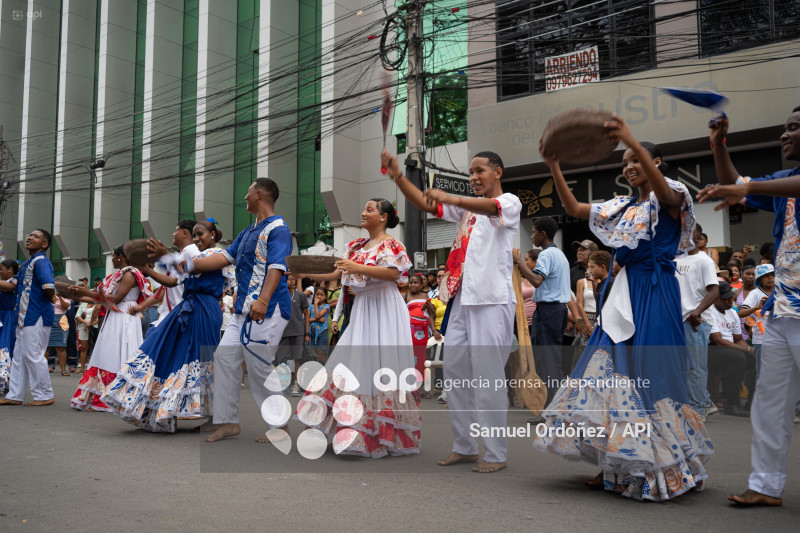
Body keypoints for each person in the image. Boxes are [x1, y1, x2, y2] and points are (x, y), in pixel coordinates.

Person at [533, 115, 712, 500]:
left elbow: (663, 196)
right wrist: (553, 165)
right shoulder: (621, 205)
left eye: (636, 159)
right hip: (622, 291)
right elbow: (575, 208)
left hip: (656, 291)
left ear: (656, 163)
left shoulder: (671, 194)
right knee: (608, 373)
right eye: (625, 162)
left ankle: (658, 468)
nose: (629, 166)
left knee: (650, 376)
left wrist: (628, 137)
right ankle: (614, 462)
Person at [382, 148, 521, 473]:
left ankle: (496, 453)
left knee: (488, 377)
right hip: (459, 299)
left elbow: (490, 207)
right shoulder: (466, 213)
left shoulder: (509, 203)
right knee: (455, 373)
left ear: (497, 172)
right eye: (471, 172)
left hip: (492, 301)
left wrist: (453, 198)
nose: (473, 177)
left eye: (480, 171)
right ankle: (465, 446)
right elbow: (427, 203)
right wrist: (398, 176)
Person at [695, 108, 800, 506]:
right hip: (781, 314)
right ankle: (765, 486)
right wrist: (718, 145)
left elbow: (743, 189)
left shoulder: (787, 186)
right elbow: (735, 183)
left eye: (793, 128)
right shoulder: (781, 186)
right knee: (770, 405)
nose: (784, 136)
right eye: (784, 127)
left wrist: (739, 189)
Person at [295, 198, 421, 457]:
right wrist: (303, 274)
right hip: (364, 308)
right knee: (352, 362)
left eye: (370, 209)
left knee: (381, 364)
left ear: (384, 216)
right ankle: (355, 430)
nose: (363, 213)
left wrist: (357, 267)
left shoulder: (392, 244)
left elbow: (394, 274)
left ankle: (379, 435)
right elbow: (336, 273)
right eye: (364, 209)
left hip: (385, 308)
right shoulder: (355, 246)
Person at [177, 178, 292, 444]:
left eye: (248, 192)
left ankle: (281, 426)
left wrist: (263, 301)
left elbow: (277, 267)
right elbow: (222, 259)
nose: (245, 197)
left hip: (269, 308)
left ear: (260, 194)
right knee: (225, 359)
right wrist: (187, 264)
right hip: (242, 311)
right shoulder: (246, 232)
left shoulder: (278, 228)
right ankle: (228, 422)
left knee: (259, 366)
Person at [101, 221, 234, 432]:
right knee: (163, 350)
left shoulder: (217, 255)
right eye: (194, 235)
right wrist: (145, 269)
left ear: (212, 236)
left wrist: (165, 256)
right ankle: (158, 408)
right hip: (187, 307)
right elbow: (172, 283)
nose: (197, 238)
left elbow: (191, 267)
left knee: (203, 360)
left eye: (200, 234)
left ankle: (216, 418)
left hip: (206, 309)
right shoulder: (194, 256)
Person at [70, 246, 153, 411]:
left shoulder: (130, 273)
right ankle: (103, 395)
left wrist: (87, 291)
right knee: (107, 353)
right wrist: (78, 294)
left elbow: (117, 297)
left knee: (116, 355)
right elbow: (101, 299)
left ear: (121, 257)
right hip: (115, 316)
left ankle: (115, 398)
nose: (113, 259)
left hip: (124, 316)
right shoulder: (118, 275)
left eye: (114, 257)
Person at [513, 217, 572, 407]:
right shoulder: (560, 254)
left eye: (533, 232)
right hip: (555, 310)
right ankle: (555, 405)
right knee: (550, 359)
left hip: (549, 311)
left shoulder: (546, 255)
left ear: (542, 234)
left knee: (547, 360)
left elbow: (537, 280)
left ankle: (551, 407)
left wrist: (520, 263)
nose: (531, 236)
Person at [0, 230, 57, 406]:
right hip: (24, 317)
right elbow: (10, 286)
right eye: (29, 235)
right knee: (19, 357)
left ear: (45, 244)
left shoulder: (40, 261)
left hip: (36, 315)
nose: (30, 238)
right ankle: (15, 395)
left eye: (36, 236)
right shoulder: (27, 263)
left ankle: (45, 395)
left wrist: (43, 302)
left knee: (33, 355)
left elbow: (49, 287)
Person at [675, 224, 720, 419]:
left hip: (696, 320)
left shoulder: (704, 260)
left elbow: (714, 291)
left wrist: (696, 313)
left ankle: (698, 409)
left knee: (695, 367)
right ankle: (704, 402)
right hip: (678, 320)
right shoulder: (675, 258)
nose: (682, 234)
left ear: (698, 235)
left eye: (688, 231)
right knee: (683, 367)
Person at [141, 219, 201, 331]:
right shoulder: (181, 253)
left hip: (181, 314)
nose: (173, 234)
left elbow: (173, 281)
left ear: (185, 233)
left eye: (176, 230)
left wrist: (147, 269)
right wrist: (140, 306)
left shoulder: (192, 251)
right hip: (170, 314)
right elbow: (165, 289)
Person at [708, 281, 750, 417]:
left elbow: (738, 339)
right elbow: (718, 341)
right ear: (715, 298)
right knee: (738, 357)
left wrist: (751, 350)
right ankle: (732, 404)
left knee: (756, 358)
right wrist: (746, 350)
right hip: (712, 350)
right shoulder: (710, 312)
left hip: (730, 348)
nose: (729, 301)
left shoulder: (732, 313)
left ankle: (752, 402)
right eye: (725, 298)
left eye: (730, 297)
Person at [738, 264, 775, 387]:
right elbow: (741, 313)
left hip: (782, 338)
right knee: (762, 373)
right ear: (759, 279)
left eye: (772, 275)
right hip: (762, 340)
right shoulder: (755, 293)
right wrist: (757, 307)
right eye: (766, 276)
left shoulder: (781, 290)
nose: (770, 278)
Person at [405, 273, 442, 386]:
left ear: (421, 284)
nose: (412, 285)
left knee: (422, 358)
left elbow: (432, 314)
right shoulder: (405, 296)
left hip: (423, 332)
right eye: (411, 282)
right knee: (410, 357)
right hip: (409, 332)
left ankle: (421, 384)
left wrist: (434, 330)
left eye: (416, 282)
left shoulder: (426, 296)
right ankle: (409, 383)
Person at [278, 273, 310, 397]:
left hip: (297, 331)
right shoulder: (280, 295)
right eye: (288, 279)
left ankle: (296, 384)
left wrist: (306, 332)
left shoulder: (300, 295)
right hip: (283, 331)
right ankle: (283, 384)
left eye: (293, 279)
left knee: (298, 359)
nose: (291, 281)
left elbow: (306, 314)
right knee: (282, 359)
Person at [0, 260, 20, 394]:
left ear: (10, 270)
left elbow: (11, 287)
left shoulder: (16, 280)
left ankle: (8, 381)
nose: (0, 272)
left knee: (7, 348)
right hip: (2, 317)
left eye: (1, 269)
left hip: (10, 317)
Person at [47, 293, 71, 376]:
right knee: (46, 347)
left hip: (61, 321)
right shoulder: (49, 294)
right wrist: (51, 297)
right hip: (49, 319)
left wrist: (60, 297)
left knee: (61, 347)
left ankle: (63, 370)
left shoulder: (66, 296)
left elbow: (65, 307)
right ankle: (42, 369)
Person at [309, 287, 330, 363]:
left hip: (322, 332)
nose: (319, 296)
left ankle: (325, 371)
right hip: (312, 332)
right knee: (313, 353)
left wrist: (315, 304)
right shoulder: (310, 307)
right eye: (317, 294)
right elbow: (307, 320)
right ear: (314, 295)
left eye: (322, 295)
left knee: (321, 354)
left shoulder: (326, 306)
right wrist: (316, 319)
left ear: (325, 297)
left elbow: (317, 315)